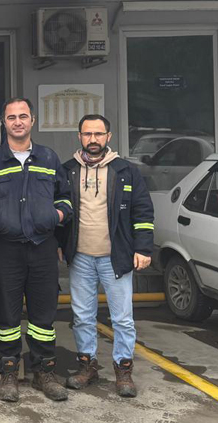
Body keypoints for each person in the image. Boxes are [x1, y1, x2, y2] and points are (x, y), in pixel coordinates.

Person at [0, 98, 72, 403]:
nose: (17, 122)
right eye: (11, 117)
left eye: (23, 116)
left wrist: (56, 215)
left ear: (32, 120)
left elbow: (65, 197)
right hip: (5, 248)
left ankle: (44, 371)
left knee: (44, 313)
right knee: (6, 313)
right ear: (4, 123)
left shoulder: (49, 157)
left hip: (42, 246)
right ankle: (8, 371)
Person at [60, 115, 153, 398]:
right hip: (81, 257)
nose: (93, 139)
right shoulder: (67, 170)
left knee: (122, 318)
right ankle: (87, 366)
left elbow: (143, 211)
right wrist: (60, 244)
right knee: (82, 317)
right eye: (87, 134)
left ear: (108, 137)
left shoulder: (126, 171)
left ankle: (123, 370)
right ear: (79, 136)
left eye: (98, 134)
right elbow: (59, 210)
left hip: (116, 257)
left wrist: (143, 248)